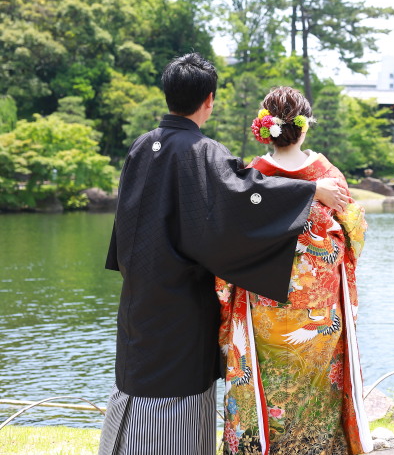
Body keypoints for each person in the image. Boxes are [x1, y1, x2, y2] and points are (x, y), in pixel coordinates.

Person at [99, 54, 348, 455]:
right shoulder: (203, 151)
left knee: (138, 373)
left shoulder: (142, 146)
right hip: (183, 292)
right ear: (209, 100)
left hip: (141, 287)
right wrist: (308, 190)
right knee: (178, 381)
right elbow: (242, 199)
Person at [217, 86, 372, 455]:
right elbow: (353, 237)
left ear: (265, 126)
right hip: (320, 314)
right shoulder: (327, 173)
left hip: (264, 313)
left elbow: (231, 242)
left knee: (268, 388)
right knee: (319, 391)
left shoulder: (253, 174)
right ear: (304, 127)